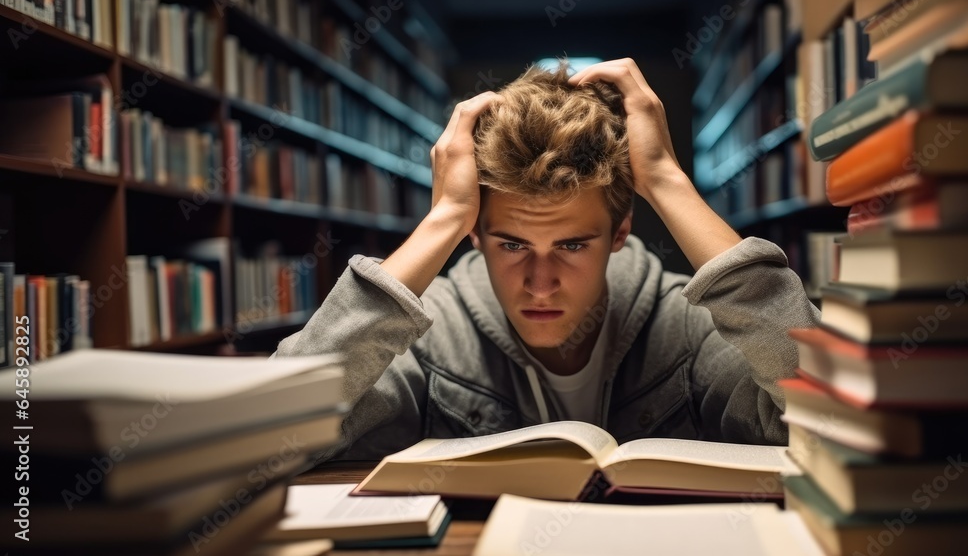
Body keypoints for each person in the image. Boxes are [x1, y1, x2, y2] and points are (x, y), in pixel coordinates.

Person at [272, 58, 819, 461]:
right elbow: (269, 441)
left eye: (572, 246)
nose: (539, 284)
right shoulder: (427, 333)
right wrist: (440, 219)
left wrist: (669, 183)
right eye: (511, 244)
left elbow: (829, 425)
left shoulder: (686, 325)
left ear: (620, 232)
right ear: (475, 235)